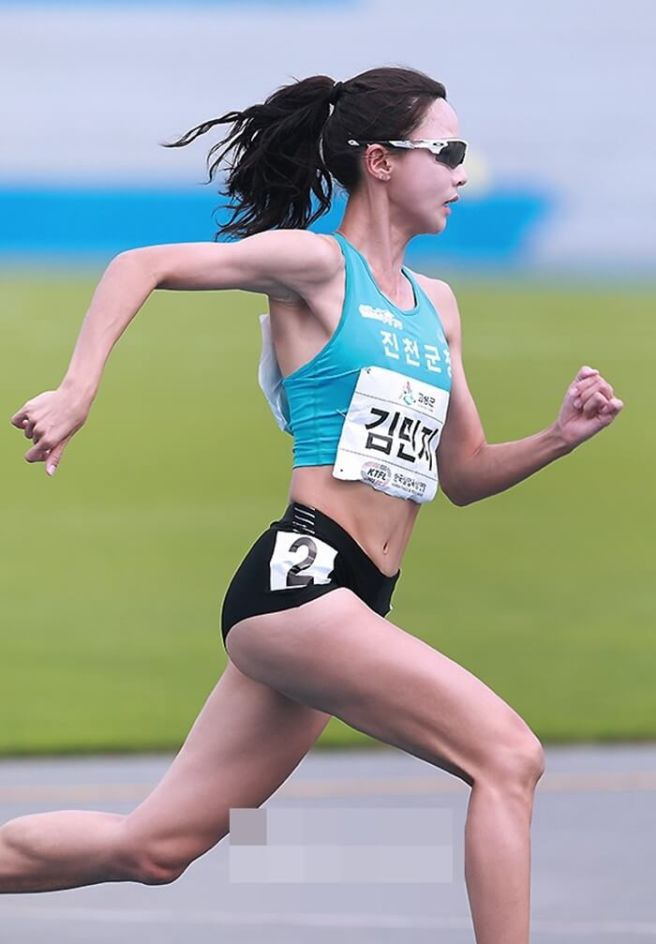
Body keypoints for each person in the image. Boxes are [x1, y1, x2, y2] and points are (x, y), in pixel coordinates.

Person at [5, 67, 622, 943]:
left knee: (155, 848)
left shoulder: (438, 307)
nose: (460, 172)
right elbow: (141, 264)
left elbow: (465, 474)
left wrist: (561, 435)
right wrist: (78, 389)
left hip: (356, 601)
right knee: (508, 756)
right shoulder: (318, 266)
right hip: (303, 583)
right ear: (380, 161)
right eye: (446, 151)